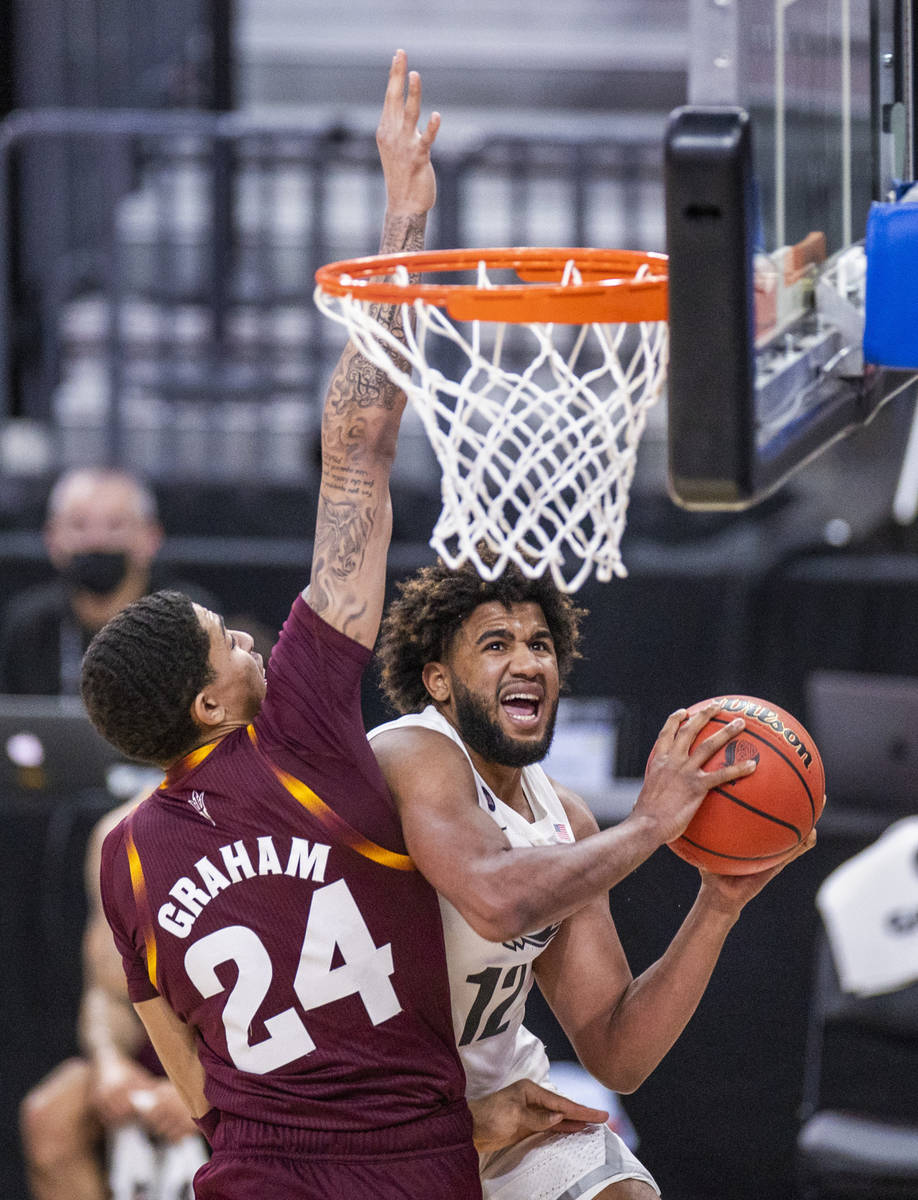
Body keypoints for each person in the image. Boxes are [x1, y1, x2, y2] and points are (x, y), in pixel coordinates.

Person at [80, 53, 602, 1200]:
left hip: (253, 1175)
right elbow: (357, 447)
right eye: (230, 643)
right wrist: (402, 229)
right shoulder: (303, 726)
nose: (256, 643)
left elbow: (202, 1094)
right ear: (211, 704)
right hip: (407, 1166)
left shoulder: (121, 858)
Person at [368, 551, 819, 1200]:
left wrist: (718, 906)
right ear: (438, 681)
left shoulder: (565, 817)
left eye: (541, 644)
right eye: (496, 643)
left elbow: (617, 1053)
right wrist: (646, 826)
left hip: (501, 1107)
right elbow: (495, 900)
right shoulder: (412, 751)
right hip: (377, 1121)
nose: (528, 662)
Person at [19, 794, 207, 1200]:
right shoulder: (120, 834)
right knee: (51, 1114)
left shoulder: (264, 817)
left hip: (254, 1062)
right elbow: (106, 989)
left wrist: (203, 1087)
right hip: (158, 1055)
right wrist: (109, 1062)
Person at [0, 466, 217, 694]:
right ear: (52, 538)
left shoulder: (191, 620)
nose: (97, 541)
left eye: (115, 525)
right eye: (79, 525)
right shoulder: (29, 625)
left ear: (151, 537)